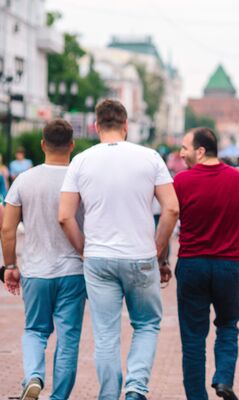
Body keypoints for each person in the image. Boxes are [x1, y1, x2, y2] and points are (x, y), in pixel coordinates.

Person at [58, 99, 180, 400]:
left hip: (98, 257)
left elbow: (64, 215)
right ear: (126, 125)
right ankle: (136, 388)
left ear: (96, 126)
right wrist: (158, 246)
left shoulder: (81, 161)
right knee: (147, 324)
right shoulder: (150, 158)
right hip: (139, 255)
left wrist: (84, 248)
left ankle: (109, 395)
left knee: (105, 334)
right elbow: (172, 209)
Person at [175, 128, 239, 400]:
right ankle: (223, 379)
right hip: (228, 265)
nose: (181, 153)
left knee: (192, 338)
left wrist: (161, 257)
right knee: (227, 325)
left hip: (191, 265)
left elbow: (168, 216)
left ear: (200, 151)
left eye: (185, 148)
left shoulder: (181, 181)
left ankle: (196, 397)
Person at [2, 119, 85, 400]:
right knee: (68, 338)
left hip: (36, 270)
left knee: (35, 330)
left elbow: (7, 228)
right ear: (72, 146)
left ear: (42, 144)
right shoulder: (80, 178)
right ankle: (58, 397)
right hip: (74, 270)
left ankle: (34, 376)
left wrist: (10, 265)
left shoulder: (25, 179)